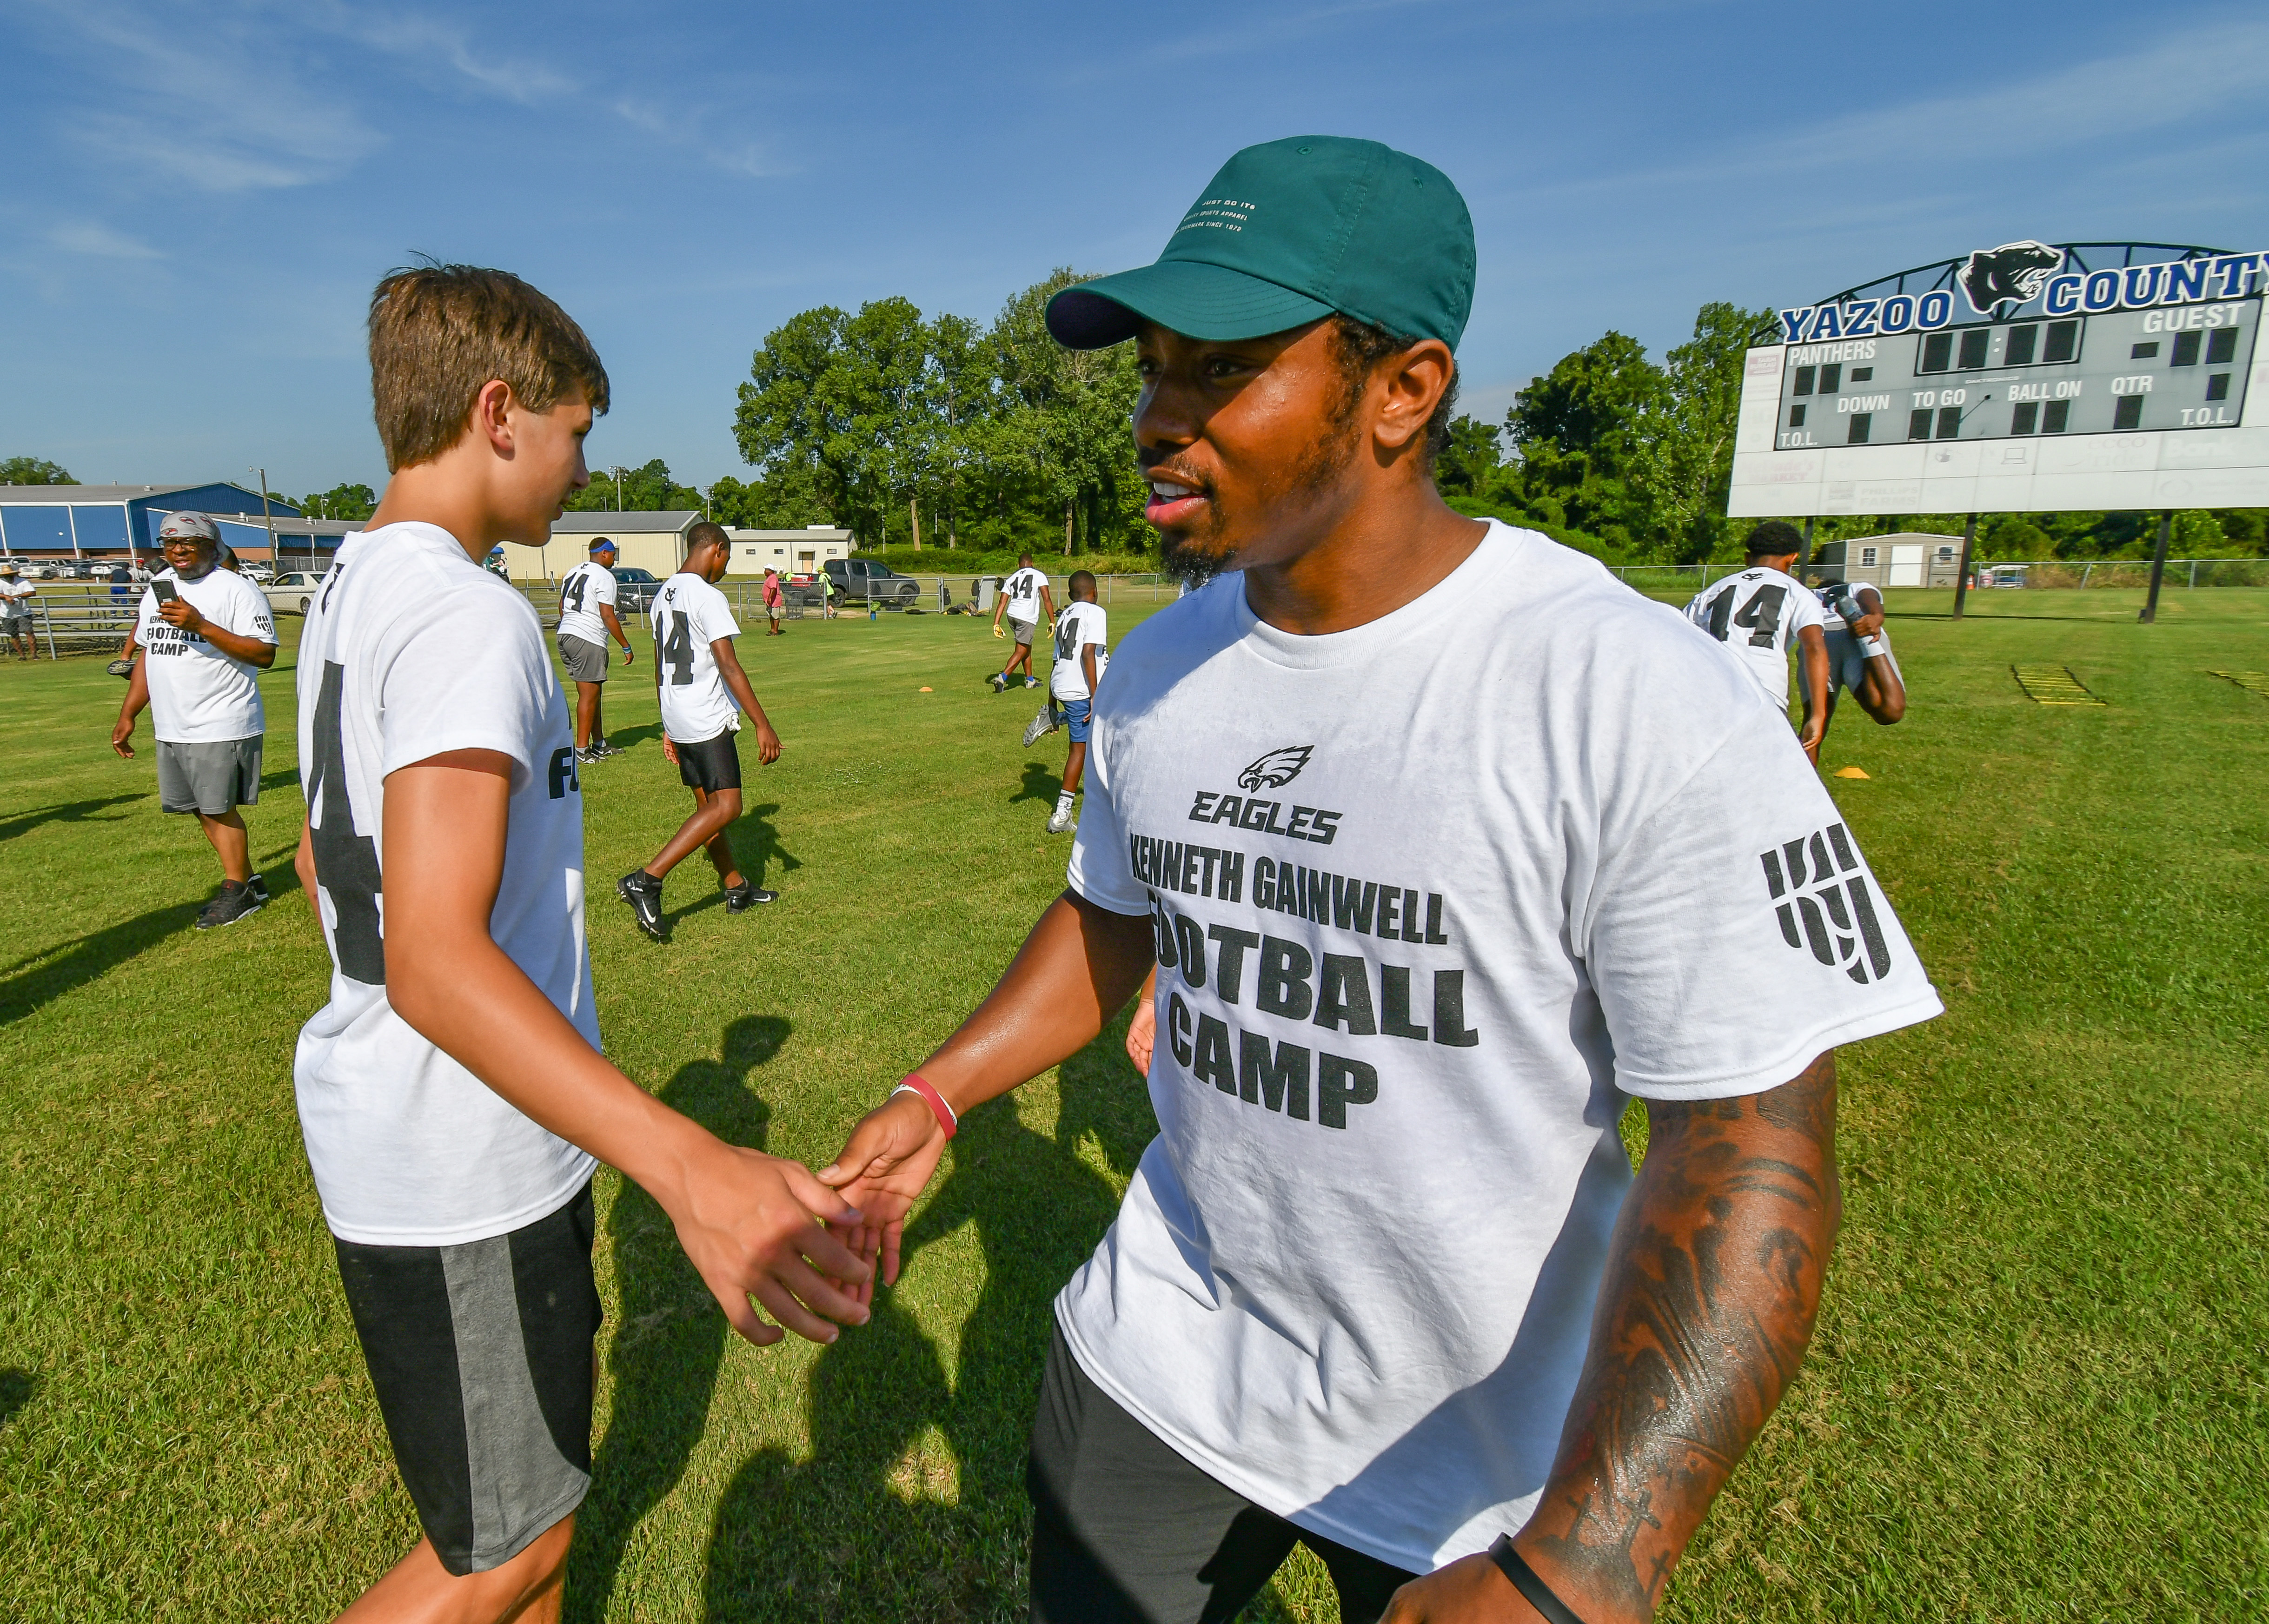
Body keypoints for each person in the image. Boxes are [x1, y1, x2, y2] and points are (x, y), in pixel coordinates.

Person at [816, 137, 1943, 1624]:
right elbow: (1109, 917)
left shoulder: (1618, 688)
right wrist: (938, 1091)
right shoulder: (1159, 672)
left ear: (1402, 391)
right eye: (1155, 370)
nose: (1157, 419)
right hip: (1161, 1367)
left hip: (1473, 1461)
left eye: (1220, 372)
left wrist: (1587, 1561)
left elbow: (1749, 1146)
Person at [292, 262, 868, 1624]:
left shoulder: (353, 583)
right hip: (460, 1160)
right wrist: (692, 1168)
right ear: (500, 414)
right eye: (575, 436)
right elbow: (434, 959)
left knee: (532, 1514)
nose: (578, 473)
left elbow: (327, 854)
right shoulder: (461, 613)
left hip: (427, 1133)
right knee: (507, 1557)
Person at [613, 521, 781, 940]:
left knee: (708, 810)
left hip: (680, 715)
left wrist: (667, 724)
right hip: (706, 718)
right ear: (717, 550)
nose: (724, 568)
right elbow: (729, 665)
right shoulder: (708, 596)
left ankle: (735, 886)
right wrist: (763, 723)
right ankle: (647, 879)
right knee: (728, 807)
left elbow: (660, 668)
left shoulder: (661, 595)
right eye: (727, 559)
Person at [112, 511, 279, 930]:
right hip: (173, 723)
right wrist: (129, 713)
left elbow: (265, 654)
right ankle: (247, 880)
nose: (179, 550)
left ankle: (237, 889)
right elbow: (151, 653)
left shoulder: (236, 590)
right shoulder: (157, 591)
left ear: (212, 544)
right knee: (200, 809)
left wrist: (200, 624)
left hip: (220, 718)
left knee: (218, 808)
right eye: (170, 544)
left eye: (189, 542)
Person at [1682, 522, 1831, 760]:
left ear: (1747, 558)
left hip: (1706, 697)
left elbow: (1680, 644)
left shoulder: (1709, 592)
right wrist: (1818, 714)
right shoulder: (1798, 592)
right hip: (1763, 697)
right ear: (1792, 559)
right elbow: (1814, 648)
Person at [1029, 570, 1104, 835]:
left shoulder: (1065, 616)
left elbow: (1055, 660)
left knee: (1104, 730)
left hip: (1061, 685)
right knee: (1079, 750)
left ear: (1072, 595)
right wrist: (1096, 695)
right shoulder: (1096, 613)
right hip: (1080, 690)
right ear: (1094, 592)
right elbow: (1088, 653)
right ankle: (1062, 815)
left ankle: (1055, 717)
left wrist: (1051, 704)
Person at [556, 535, 632, 762]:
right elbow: (607, 615)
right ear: (605, 553)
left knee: (593, 693)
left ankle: (599, 744)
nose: (615, 561)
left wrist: (571, 625)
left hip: (566, 634)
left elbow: (562, 606)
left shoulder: (573, 572)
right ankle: (581, 750)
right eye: (613, 556)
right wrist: (626, 646)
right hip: (587, 638)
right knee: (589, 696)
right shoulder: (604, 576)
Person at [1817, 577, 1907, 728]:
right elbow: (1868, 596)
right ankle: (1862, 632)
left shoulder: (1806, 593)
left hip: (1821, 637)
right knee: (1890, 711)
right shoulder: (1854, 587)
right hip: (1858, 632)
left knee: (1816, 724)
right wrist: (1876, 616)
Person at [989, 553, 1055, 691]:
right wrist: (1052, 620)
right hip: (1026, 617)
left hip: (1012, 615)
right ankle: (1002, 678)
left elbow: (1002, 602)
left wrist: (996, 623)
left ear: (1019, 565)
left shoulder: (1012, 577)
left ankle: (1030, 680)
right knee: (1021, 650)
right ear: (1032, 563)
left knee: (1026, 648)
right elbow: (1047, 599)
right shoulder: (1039, 575)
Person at [0, 563, 39, 659]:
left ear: (14, 574)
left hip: (24, 612)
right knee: (14, 634)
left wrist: (16, 596)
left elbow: (32, 592)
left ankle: (34, 655)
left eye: (10, 574)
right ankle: (22, 656)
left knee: (29, 632)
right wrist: (6, 597)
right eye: (6, 575)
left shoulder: (23, 582)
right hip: (7, 614)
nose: (8, 576)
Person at [761, 565, 787, 634]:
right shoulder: (769, 578)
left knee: (775, 617)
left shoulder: (772, 578)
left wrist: (770, 598)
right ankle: (772, 630)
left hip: (774, 601)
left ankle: (776, 631)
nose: (765, 571)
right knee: (771, 616)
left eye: (766, 570)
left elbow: (773, 589)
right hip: (770, 602)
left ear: (771, 571)